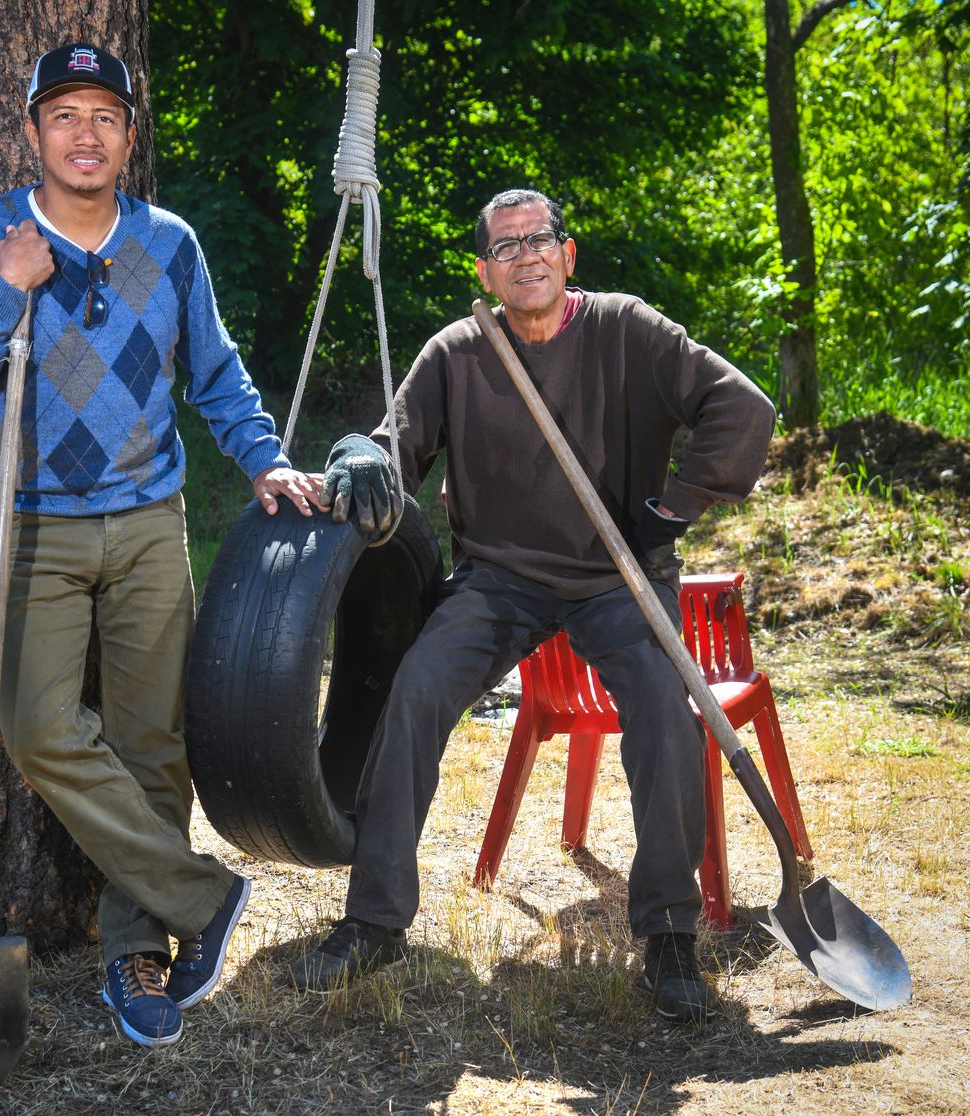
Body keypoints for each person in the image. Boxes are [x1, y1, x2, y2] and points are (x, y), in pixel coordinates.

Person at [0, 43, 324, 1048]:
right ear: (32, 132)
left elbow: (216, 373)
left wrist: (263, 459)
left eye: (105, 115)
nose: (85, 133)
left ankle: (137, 953)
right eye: (64, 114)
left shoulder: (170, 242)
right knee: (38, 729)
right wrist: (6, 287)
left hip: (147, 521)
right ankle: (204, 898)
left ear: (130, 137)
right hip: (32, 524)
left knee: (151, 748)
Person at [290, 188, 776, 1024]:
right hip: (499, 581)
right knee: (416, 689)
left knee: (665, 706)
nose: (525, 256)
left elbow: (744, 408)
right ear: (485, 271)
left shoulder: (627, 329)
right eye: (505, 247)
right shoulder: (459, 351)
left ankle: (668, 936)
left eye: (539, 239)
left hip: (617, 577)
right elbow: (389, 451)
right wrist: (354, 456)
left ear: (567, 254)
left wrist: (672, 510)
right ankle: (374, 921)